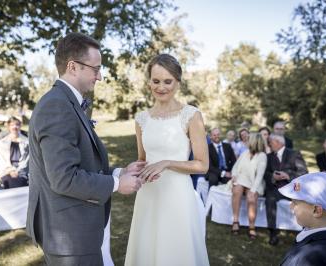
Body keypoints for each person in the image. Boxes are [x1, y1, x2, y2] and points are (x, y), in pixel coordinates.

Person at [26, 32, 144, 265]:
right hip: (68, 234)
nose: (99, 76)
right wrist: (118, 185)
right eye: (95, 68)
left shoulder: (65, 101)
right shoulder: (57, 106)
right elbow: (64, 179)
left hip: (73, 229)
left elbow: (80, 163)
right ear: (73, 67)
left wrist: (119, 172)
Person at [125, 54, 210, 266]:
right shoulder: (141, 119)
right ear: (149, 83)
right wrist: (130, 172)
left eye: (167, 81)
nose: (161, 87)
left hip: (177, 197)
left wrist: (167, 163)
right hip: (148, 196)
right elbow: (143, 160)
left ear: (178, 83)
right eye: (156, 81)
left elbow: (202, 165)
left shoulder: (191, 115)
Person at [278, 172, 326, 266]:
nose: (291, 206)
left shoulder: (311, 258)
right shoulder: (323, 243)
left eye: (295, 202)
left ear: (317, 211)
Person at [264, 134, 308, 245]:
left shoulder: (293, 153)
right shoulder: (269, 156)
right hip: (277, 190)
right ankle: (273, 233)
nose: (269, 144)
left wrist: (288, 175)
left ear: (279, 143)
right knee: (269, 199)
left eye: (271, 142)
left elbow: (303, 172)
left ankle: (305, 232)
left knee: (302, 203)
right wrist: (273, 177)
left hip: (293, 189)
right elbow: (266, 174)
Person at [231, 133, 267, 239]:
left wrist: (253, 190)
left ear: (254, 142)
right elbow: (235, 167)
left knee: (251, 198)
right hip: (242, 179)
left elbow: (259, 176)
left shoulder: (262, 156)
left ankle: (252, 226)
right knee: (236, 190)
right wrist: (234, 175)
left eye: (249, 139)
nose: (247, 140)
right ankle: (235, 221)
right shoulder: (245, 153)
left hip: (254, 182)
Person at [0, 117, 29, 189]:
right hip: (7, 171)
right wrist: (10, 171)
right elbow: (1, 161)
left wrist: (18, 171)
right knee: (10, 181)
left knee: (21, 180)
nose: (15, 127)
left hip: (22, 170)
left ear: (20, 126)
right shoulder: (3, 142)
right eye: (12, 125)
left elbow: (27, 160)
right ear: (8, 127)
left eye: (17, 124)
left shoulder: (26, 141)